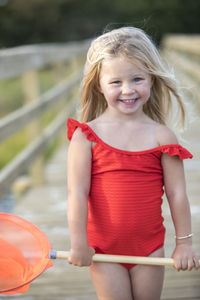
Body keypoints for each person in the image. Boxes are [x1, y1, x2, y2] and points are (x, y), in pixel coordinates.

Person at [66, 26, 199, 300]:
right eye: (116, 82)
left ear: (151, 79)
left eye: (137, 79)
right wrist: (78, 241)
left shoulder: (162, 136)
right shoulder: (86, 137)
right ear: (99, 85)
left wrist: (184, 244)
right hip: (104, 250)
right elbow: (77, 193)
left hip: (149, 248)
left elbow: (177, 195)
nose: (128, 90)